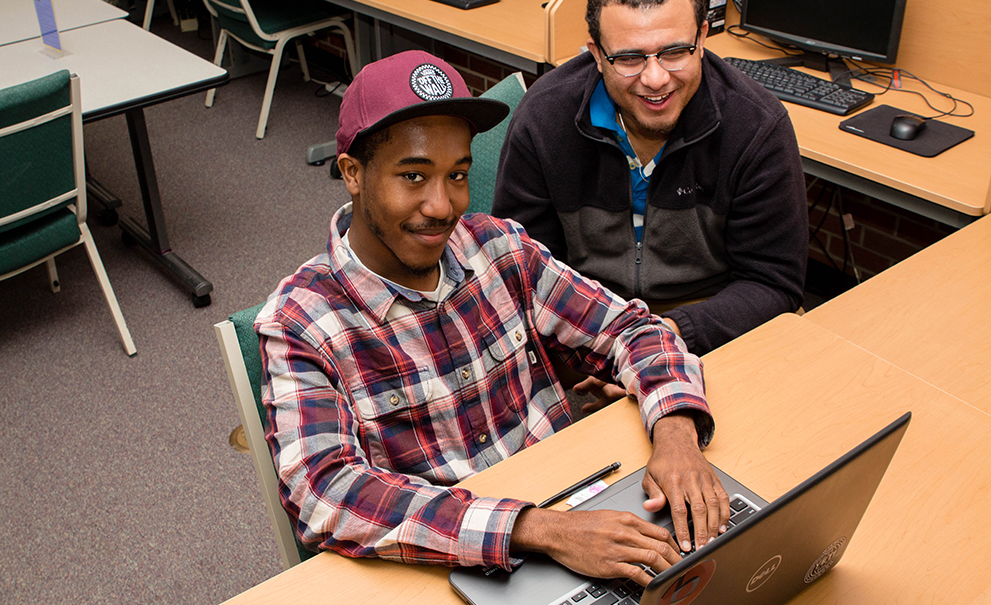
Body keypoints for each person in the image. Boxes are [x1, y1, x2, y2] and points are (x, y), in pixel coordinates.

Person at [255, 50, 730, 585]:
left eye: (457, 174)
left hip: (580, 507)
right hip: (457, 567)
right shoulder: (300, 321)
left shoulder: (499, 248)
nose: (442, 205)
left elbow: (631, 329)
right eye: (413, 176)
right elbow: (326, 492)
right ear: (353, 174)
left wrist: (676, 436)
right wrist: (542, 530)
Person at [492, 0, 809, 365]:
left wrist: (665, 339)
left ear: (702, 38)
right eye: (629, 58)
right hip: (582, 324)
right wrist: (598, 352)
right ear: (596, 53)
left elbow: (773, 282)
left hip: (710, 327)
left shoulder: (757, 126)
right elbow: (525, 271)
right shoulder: (544, 119)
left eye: (675, 51)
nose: (655, 78)